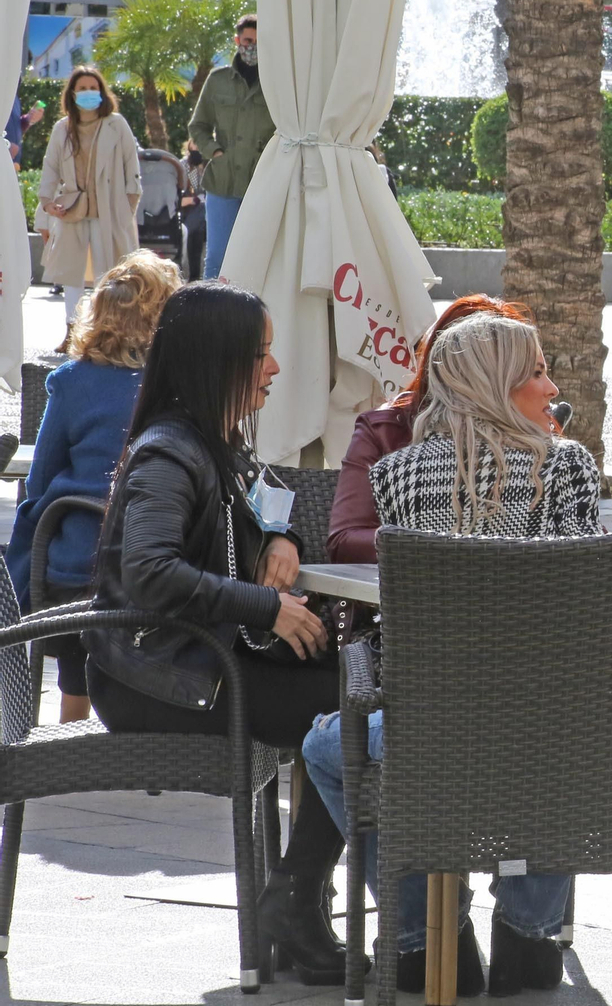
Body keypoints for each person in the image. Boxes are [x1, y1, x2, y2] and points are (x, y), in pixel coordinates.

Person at [304, 314, 599, 996]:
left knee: (326, 747)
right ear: (495, 384)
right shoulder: (569, 466)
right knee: (566, 737)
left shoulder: (398, 474)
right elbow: (579, 616)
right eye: (536, 372)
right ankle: (527, 932)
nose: (553, 388)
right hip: (543, 731)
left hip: (427, 730)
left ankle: (420, 935)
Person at [83, 281, 347, 985]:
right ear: (217, 360)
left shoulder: (214, 439)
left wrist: (282, 539)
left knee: (357, 690)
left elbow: (262, 510)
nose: (274, 368)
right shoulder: (170, 452)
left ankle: (298, 898)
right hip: (156, 679)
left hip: (198, 658)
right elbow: (149, 571)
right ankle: (297, 900)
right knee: (351, 710)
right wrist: (266, 608)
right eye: (261, 354)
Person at [3, 251, 181, 723]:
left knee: (74, 674)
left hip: (76, 566)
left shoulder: (71, 381)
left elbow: (40, 481)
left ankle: (71, 730)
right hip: (160, 565)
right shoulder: (176, 387)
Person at [326, 294, 550, 564]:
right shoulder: (387, 436)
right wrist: (443, 546)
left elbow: (578, 542)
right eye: (534, 372)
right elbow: (345, 540)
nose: (553, 389)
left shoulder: (546, 443)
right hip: (407, 585)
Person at [34, 67, 142, 351]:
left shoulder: (116, 124)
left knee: (111, 274)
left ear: (102, 91)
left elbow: (132, 168)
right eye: (82, 88)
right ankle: (72, 332)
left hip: (111, 210)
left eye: (93, 87)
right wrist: (47, 203)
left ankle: (109, 334)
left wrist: (128, 206)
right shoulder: (62, 128)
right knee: (73, 274)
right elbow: (50, 168)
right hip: (72, 210)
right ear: (72, 94)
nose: (88, 93)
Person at [187, 14, 274, 278]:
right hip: (222, 182)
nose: (252, 47)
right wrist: (214, 151)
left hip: (262, 182)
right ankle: (211, 305)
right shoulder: (218, 80)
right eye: (248, 41)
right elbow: (198, 126)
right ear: (237, 41)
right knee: (217, 258)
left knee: (260, 259)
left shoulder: (277, 82)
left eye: (258, 41)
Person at [179, 140, 208, 281]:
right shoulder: (183, 165)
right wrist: (195, 200)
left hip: (208, 211)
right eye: (195, 142)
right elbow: (179, 199)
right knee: (196, 227)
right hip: (190, 211)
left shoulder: (210, 164)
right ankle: (194, 275)